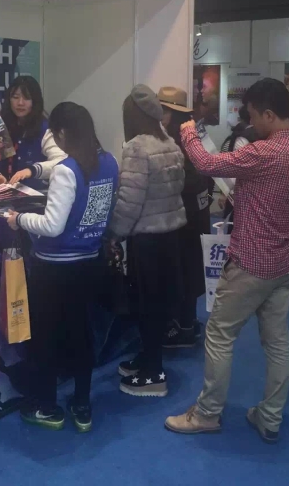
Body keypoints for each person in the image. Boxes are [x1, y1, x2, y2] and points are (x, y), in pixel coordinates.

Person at [165, 78, 289, 443]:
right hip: (283, 264)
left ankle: (207, 414)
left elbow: (205, 162)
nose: (250, 123)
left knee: (219, 334)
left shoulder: (263, 153)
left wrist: (188, 129)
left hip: (250, 263)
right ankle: (270, 417)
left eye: (253, 115)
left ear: (269, 114)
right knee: (277, 343)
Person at [6, 103, 118, 433]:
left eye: (55, 134)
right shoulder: (109, 162)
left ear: (64, 133)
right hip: (89, 260)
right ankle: (82, 405)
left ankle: (46, 407)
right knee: (81, 333)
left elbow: (52, 226)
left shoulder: (68, 171)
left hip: (54, 268)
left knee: (46, 337)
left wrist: (19, 219)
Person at [106, 85, 186, 397]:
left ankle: (154, 373)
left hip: (147, 241)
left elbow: (129, 202)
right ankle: (149, 358)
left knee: (146, 305)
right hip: (170, 237)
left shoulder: (136, 148)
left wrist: (114, 234)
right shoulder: (170, 144)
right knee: (158, 304)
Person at [158, 87, 210, 349]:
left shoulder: (176, 142)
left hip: (184, 217)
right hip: (196, 214)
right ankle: (188, 323)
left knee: (182, 270)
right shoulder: (195, 134)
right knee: (190, 269)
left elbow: (186, 181)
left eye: (163, 110)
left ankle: (181, 328)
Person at [0, 76, 66, 190]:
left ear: (35, 101)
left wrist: (32, 170)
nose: (20, 103)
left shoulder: (45, 128)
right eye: (15, 97)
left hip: (35, 196)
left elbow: (61, 161)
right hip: (2, 194)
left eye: (27, 98)